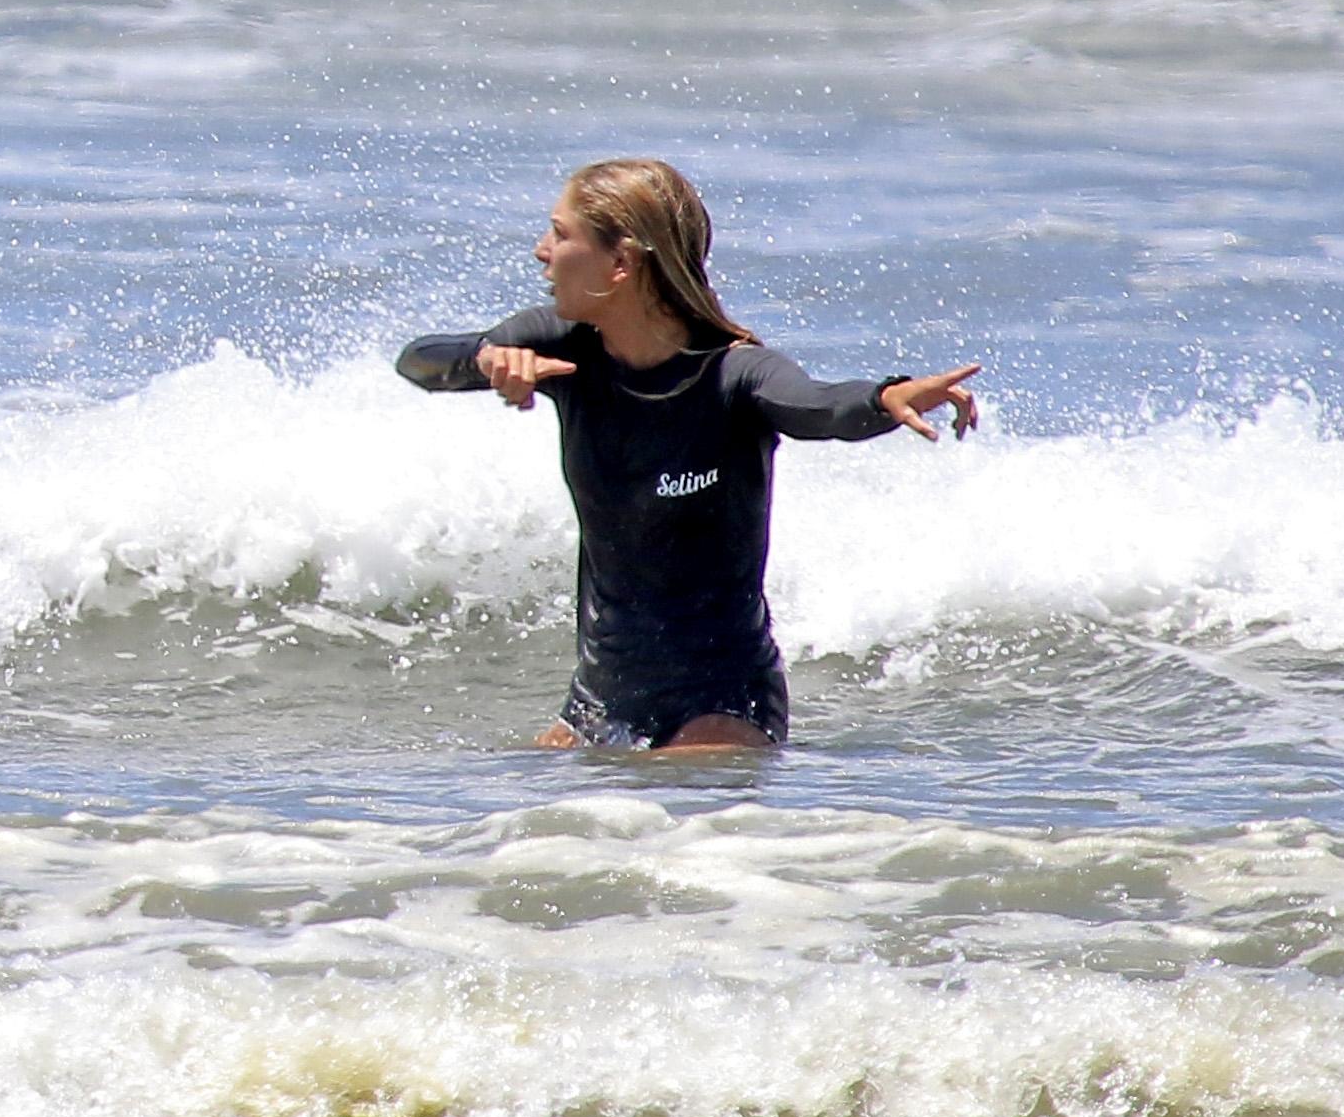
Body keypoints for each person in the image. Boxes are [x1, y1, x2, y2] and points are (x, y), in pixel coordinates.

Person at [396, 156, 974, 752]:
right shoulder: (561, 349)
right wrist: (487, 359)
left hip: (722, 702)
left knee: (674, 823)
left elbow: (817, 406)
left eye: (561, 234)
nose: (542, 251)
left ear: (620, 263)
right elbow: (418, 362)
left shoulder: (734, 374)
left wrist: (885, 397)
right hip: (598, 703)